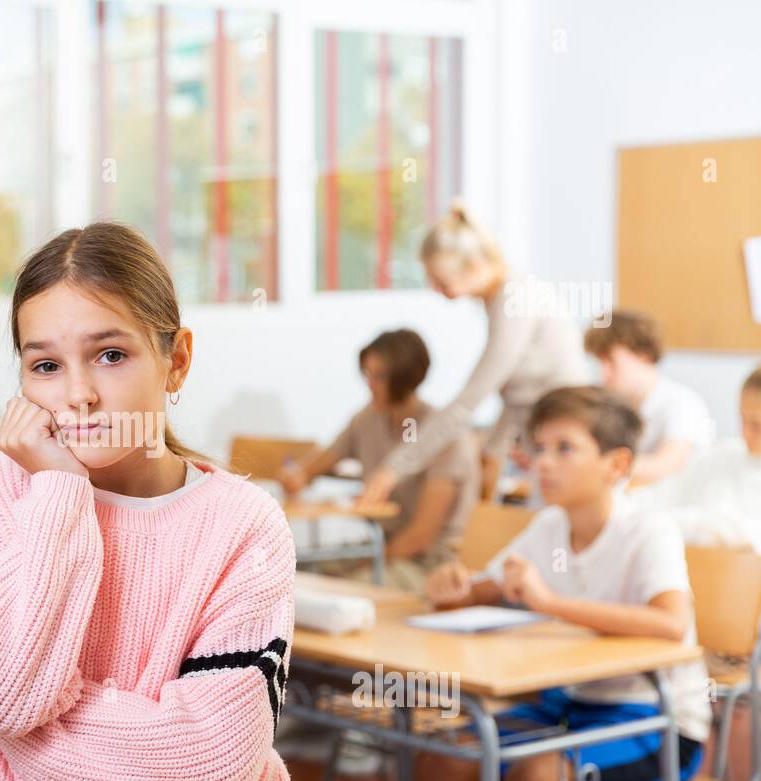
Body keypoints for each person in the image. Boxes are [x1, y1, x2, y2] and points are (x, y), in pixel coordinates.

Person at [0, 221, 303, 781]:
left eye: (110, 355)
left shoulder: (244, 526)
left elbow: (206, 769)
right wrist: (61, 490)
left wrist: (16, 717)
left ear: (176, 359)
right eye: (45, 365)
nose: (78, 395)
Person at [415, 386, 709, 781]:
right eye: (540, 447)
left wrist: (551, 602)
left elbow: (671, 623)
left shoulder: (648, 530)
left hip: (657, 718)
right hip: (569, 705)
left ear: (616, 465)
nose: (542, 463)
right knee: (440, 762)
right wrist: (454, 585)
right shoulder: (550, 526)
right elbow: (488, 586)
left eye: (564, 448)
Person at [357, 204, 588, 507]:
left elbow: (470, 400)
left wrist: (393, 469)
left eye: (442, 281)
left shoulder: (515, 300)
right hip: (544, 445)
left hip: (568, 444)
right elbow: (516, 391)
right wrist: (493, 447)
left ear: (476, 265)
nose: (438, 291)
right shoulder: (498, 301)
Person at [279, 329, 479, 592]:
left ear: (406, 378)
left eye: (380, 376)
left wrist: (366, 562)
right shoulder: (368, 419)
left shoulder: (445, 437)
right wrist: (298, 474)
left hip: (429, 564)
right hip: (381, 546)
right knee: (292, 571)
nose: (370, 384)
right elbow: (320, 462)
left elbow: (420, 538)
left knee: (331, 589)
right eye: (367, 374)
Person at [630, 364, 761, 550]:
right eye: (742, 418)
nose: (744, 432)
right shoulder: (722, 456)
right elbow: (658, 496)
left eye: (756, 425)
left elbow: (743, 534)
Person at [584, 310, 713, 485]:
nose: (603, 373)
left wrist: (593, 465)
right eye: (600, 363)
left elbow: (666, 466)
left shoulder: (682, 404)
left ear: (644, 355)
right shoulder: (612, 406)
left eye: (611, 361)